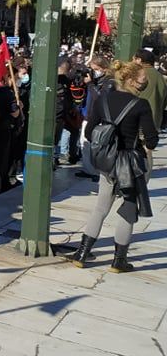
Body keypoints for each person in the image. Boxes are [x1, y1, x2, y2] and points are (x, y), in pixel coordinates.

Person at [69, 59, 158, 273]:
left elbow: (89, 132)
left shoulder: (103, 99)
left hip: (108, 162)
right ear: (131, 80)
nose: (144, 82)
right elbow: (152, 140)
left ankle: (82, 253)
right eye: (142, 79)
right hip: (131, 163)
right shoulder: (141, 105)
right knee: (129, 208)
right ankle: (119, 261)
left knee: (101, 207)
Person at [134, 49, 166, 130]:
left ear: (139, 60)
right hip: (154, 122)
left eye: (133, 59)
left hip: (138, 122)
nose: (132, 62)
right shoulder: (161, 78)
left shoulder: (140, 75)